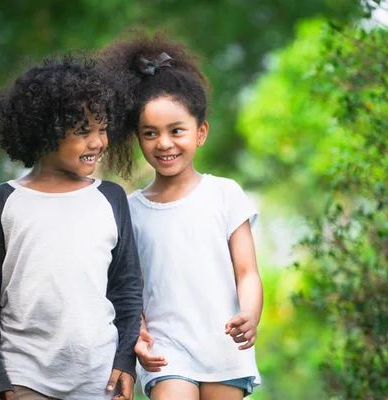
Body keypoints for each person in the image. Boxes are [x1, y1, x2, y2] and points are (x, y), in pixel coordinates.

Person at [0, 54, 142, 400]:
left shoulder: (110, 198)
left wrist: (126, 359)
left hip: (98, 378)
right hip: (24, 377)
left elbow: (126, 289)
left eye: (103, 129)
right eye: (83, 132)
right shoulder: (3, 201)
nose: (98, 142)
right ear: (45, 130)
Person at [100, 32, 263, 400]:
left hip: (225, 345)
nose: (164, 143)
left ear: (200, 132)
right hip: (165, 351)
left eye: (177, 131)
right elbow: (128, 287)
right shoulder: (130, 208)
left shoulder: (224, 193)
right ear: (137, 139)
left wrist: (250, 315)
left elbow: (247, 272)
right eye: (150, 133)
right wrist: (136, 332)